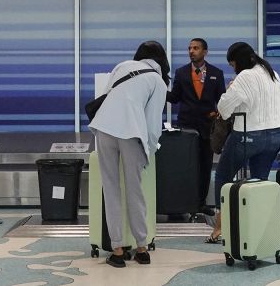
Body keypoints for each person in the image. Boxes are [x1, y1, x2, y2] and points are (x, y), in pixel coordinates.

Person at [88, 40, 169, 268]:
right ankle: (142, 249)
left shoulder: (123, 66)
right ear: (162, 60)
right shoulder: (158, 82)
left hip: (104, 128)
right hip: (131, 134)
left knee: (111, 189)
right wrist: (150, 149)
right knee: (135, 191)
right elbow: (153, 124)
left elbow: (107, 96)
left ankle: (117, 251)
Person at [205, 42, 280, 243]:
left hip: (248, 135)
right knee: (259, 182)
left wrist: (231, 87)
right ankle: (259, 228)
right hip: (275, 134)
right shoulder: (273, 74)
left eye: (232, 65)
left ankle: (220, 228)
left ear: (238, 62)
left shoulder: (245, 77)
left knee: (223, 175)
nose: (233, 68)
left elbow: (224, 108)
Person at [166, 38, 226, 216]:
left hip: (208, 128)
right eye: (190, 48)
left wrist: (219, 115)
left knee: (205, 166)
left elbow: (221, 100)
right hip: (186, 128)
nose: (191, 51)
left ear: (205, 51)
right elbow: (175, 97)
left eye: (196, 48)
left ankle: (200, 203)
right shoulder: (182, 73)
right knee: (184, 166)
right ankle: (182, 203)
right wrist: (158, 87)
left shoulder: (216, 73)